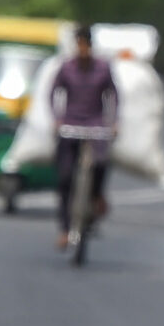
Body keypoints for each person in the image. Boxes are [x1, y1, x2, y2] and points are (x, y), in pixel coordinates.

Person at [50, 25, 118, 251]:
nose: (82, 49)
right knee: (65, 177)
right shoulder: (67, 68)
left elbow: (114, 94)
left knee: (101, 163)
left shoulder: (102, 68)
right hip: (71, 124)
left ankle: (96, 197)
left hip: (95, 124)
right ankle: (64, 228)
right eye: (79, 44)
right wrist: (57, 119)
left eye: (85, 45)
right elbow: (53, 92)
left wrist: (113, 122)